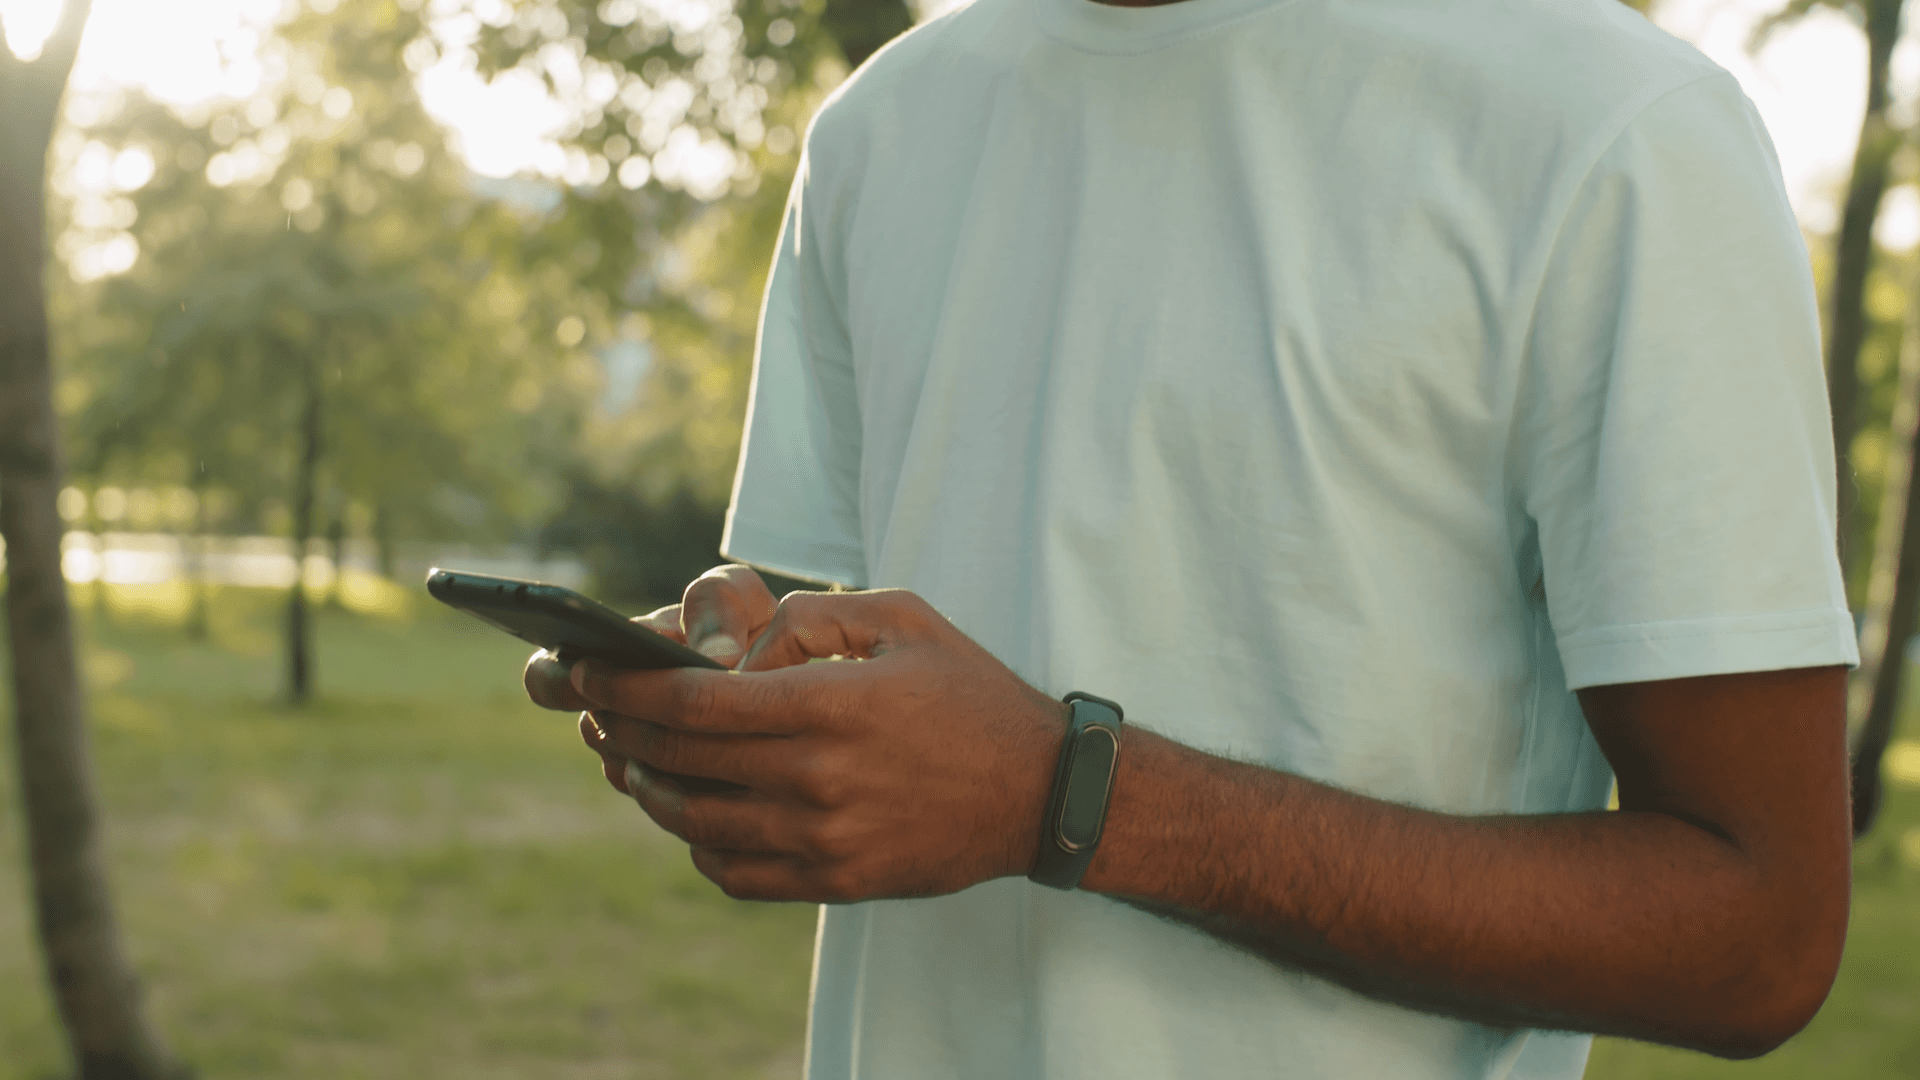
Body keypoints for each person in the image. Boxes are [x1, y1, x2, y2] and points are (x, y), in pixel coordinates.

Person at [524, 0, 1861, 1075]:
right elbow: (908, 669)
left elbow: (1759, 937)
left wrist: (1066, 795)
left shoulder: (1615, 127)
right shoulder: (883, 123)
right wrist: (751, 711)